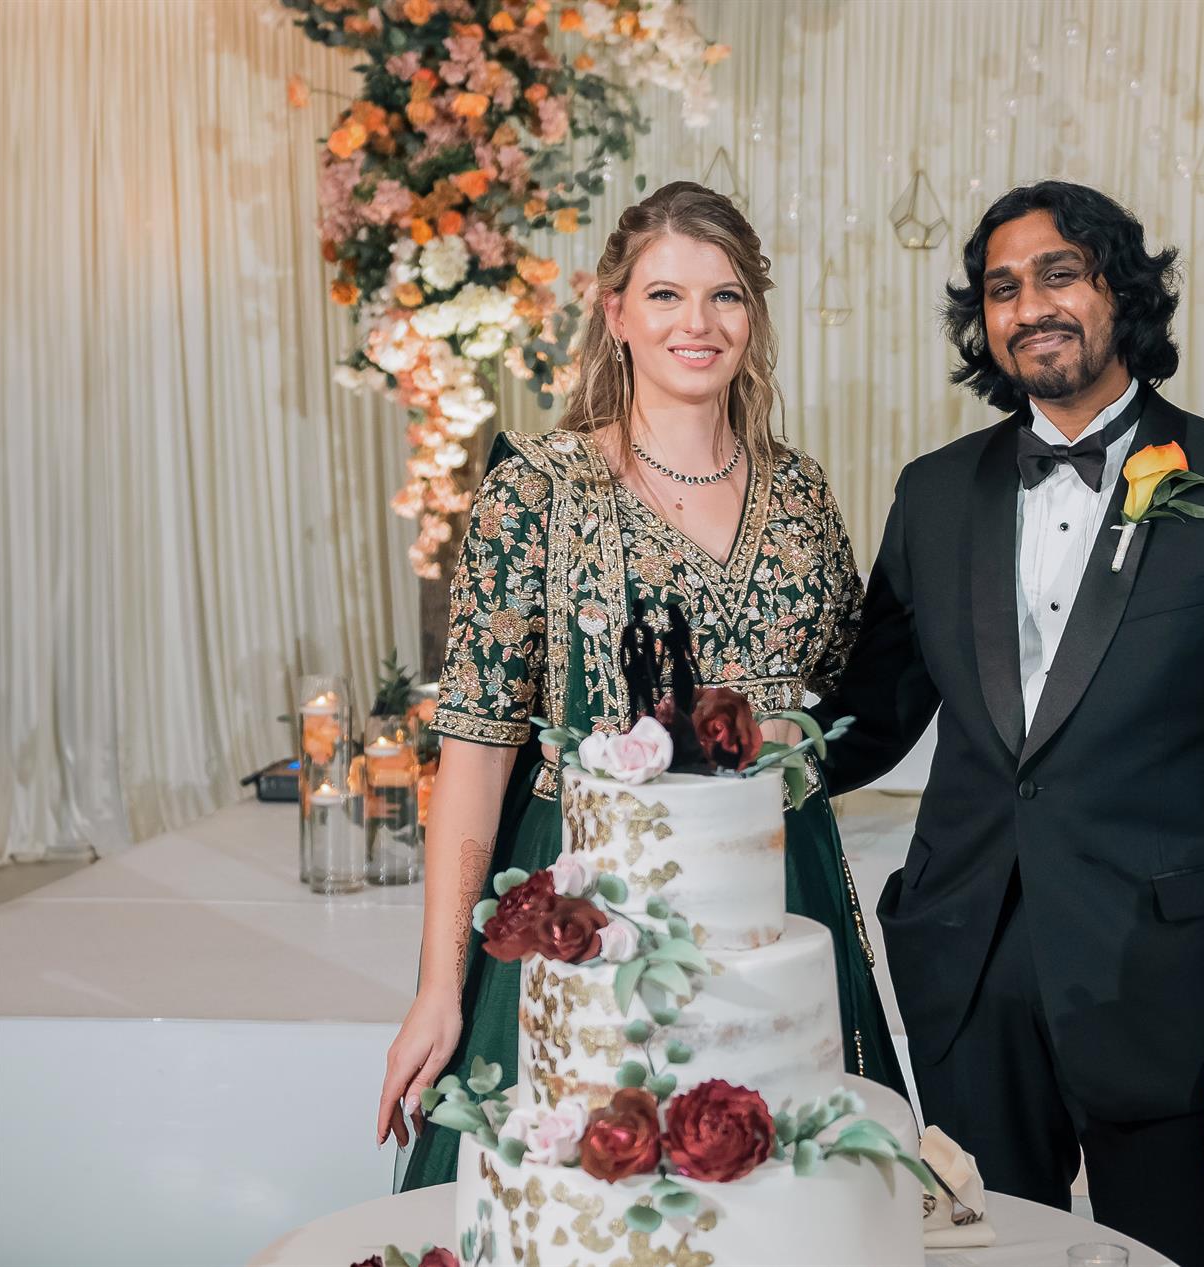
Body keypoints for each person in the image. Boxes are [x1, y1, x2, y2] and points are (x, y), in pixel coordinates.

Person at [812, 181, 1204, 1267]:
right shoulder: (933, 493)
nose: (1030, 307)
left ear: (1121, 293)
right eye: (1002, 287)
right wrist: (727, 751)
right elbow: (873, 714)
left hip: (1160, 978)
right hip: (966, 968)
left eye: (1060, 274)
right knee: (982, 1256)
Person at [376, 181, 903, 1189]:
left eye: (725, 295)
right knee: (583, 1206)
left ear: (754, 315)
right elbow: (474, 758)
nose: (697, 323)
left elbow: (844, 695)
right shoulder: (535, 491)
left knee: (786, 1204)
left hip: (774, 895)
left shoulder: (801, 494)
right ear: (615, 312)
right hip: (587, 903)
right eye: (665, 295)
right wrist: (439, 987)